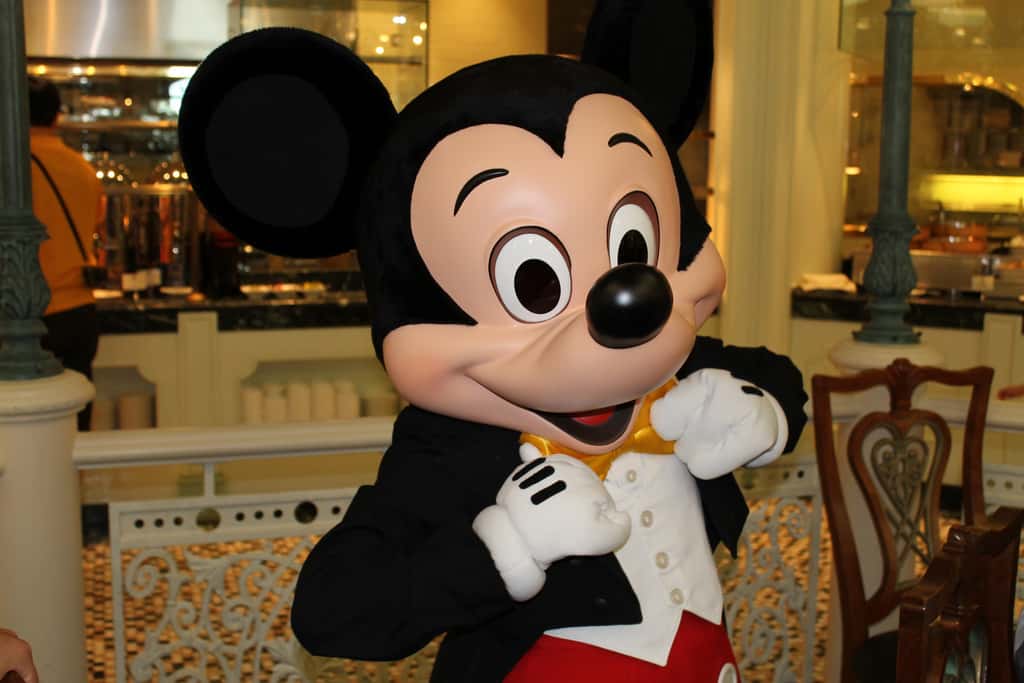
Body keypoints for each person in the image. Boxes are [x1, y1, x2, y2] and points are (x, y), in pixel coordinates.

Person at [27, 76, 104, 431]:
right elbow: (96, 227)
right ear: (57, 116)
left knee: (24, 432)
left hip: (27, 319)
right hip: (78, 314)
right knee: (75, 432)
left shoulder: (12, 170)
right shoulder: (83, 169)